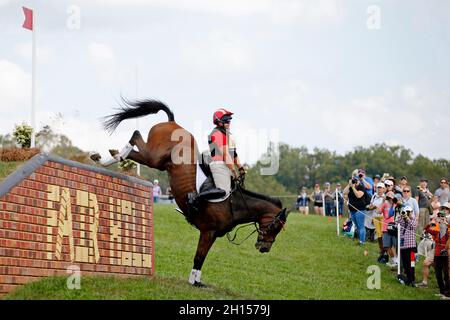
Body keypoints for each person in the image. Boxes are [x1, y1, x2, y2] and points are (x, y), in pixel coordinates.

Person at [424, 203, 450, 299]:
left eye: (442, 216)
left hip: (445, 253)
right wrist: (432, 221)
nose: (440, 218)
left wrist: (446, 223)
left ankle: (448, 294)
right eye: (439, 216)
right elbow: (426, 229)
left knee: (446, 274)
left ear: (445, 218)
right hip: (437, 253)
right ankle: (442, 292)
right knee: (438, 273)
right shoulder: (437, 231)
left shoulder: (448, 229)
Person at [344, 173, 368, 245]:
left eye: (355, 180)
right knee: (357, 226)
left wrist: (353, 187)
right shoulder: (350, 187)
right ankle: (360, 240)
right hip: (352, 210)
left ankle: (362, 242)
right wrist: (349, 185)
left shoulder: (361, 187)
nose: (354, 181)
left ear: (358, 181)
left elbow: (358, 195)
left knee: (361, 226)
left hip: (360, 210)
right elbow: (344, 192)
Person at [397, 205, 417, 286]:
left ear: (411, 212)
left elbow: (413, 226)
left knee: (411, 263)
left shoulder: (413, 220)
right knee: (405, 264)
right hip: (403, 246)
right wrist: (401, 216)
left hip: (411, 247)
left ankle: (412, 279)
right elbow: (396, 224)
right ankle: (408, 278)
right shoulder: (402, 220)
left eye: (409, 212)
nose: (407, 214)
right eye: (406, 212)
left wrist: (408, 218)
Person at [379, 192, 398, 267]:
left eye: (391, 198)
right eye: (388, 197)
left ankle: (397, 260)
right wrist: (383, 201)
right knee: (387, 245)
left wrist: (394, 203)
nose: (390, 199)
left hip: (394, 227)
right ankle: (393, 259)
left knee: (396, 245)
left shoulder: (396, 205)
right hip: (385, 227)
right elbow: (378, 211)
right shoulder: (384, 204)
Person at [368, 182, 386, 254]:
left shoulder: (385, 197)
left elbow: (383, 208)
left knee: (383, 233)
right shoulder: (374, 196)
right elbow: (370, 206)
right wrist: (374, 207)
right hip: (375, 217)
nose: (379, 189)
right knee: (378, 233)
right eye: (378, 187)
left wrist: (376, 207)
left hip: (382, 217)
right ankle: (381, 249)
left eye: (381, 188)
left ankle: (385, 248)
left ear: (383, 189)